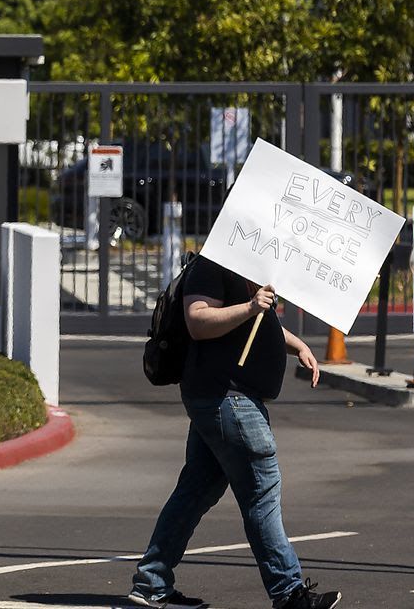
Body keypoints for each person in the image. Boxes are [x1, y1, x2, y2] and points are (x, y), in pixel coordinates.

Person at [124, 256, 336, 609]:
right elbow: (198, 320)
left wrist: (296, 344)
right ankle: (289, 593)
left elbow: (258, 323)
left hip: (225, 398)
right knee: (261, 493)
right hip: (228, 399)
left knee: (194, 492)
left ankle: (152, 583)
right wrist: (251, 305)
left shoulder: (247, 268)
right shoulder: (213, 263)